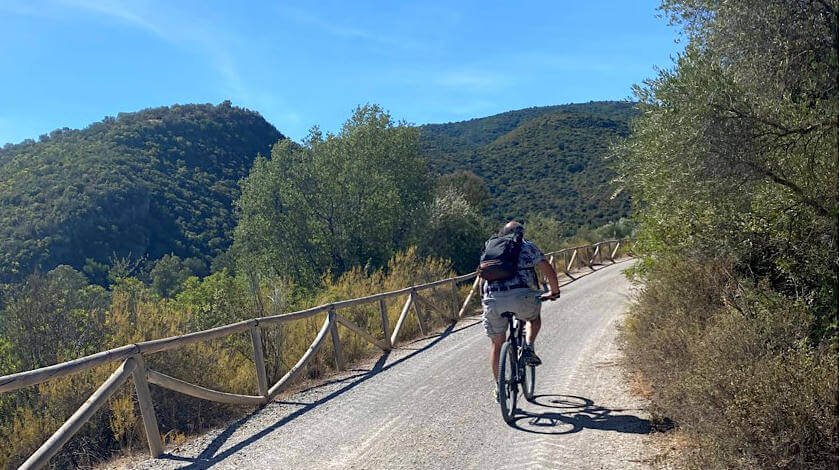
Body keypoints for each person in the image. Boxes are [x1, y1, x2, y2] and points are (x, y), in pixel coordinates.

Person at [480, 221, 560, 394]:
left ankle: (499, 388)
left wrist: (485, 299)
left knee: (497, 343)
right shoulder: (527, 246)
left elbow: (482, 276)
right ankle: (528, 348)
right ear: (521, 234)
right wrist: (554, 291)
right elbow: (548, 271)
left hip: (493, 299)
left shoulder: (490, 247)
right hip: (522, 297)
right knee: (533, 318)